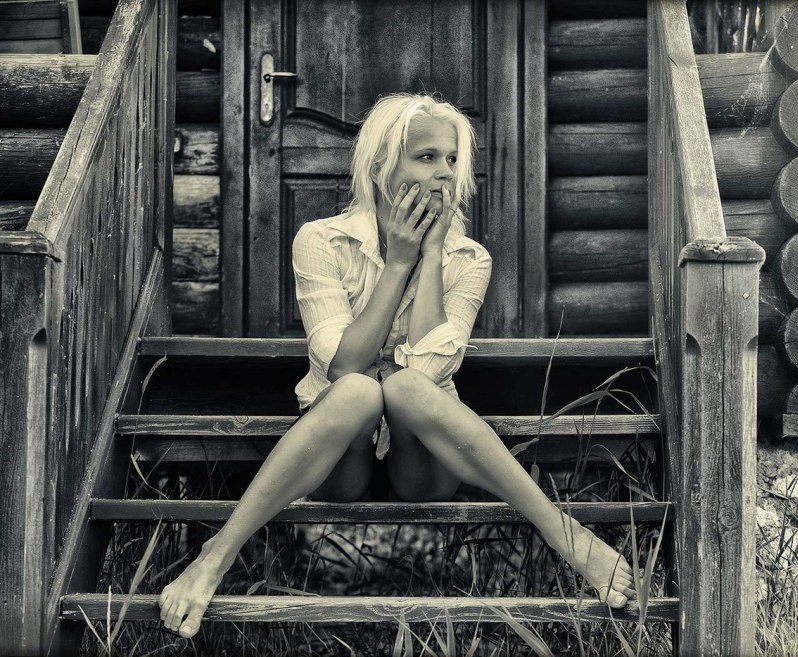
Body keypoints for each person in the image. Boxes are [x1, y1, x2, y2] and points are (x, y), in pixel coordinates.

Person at [158, 93, 637, 638]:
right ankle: (216, 557)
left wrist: (430, 256)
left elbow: (431, 369)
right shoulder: (321, 241)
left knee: (408, 386)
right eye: (426, 157)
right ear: (384, 163)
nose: (444, 173)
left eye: (452, 159)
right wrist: (400, 262)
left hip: (424, 461)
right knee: (360, 391)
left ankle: (567, 538)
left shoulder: (468, 258)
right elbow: (344, 367)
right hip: (340, 458)